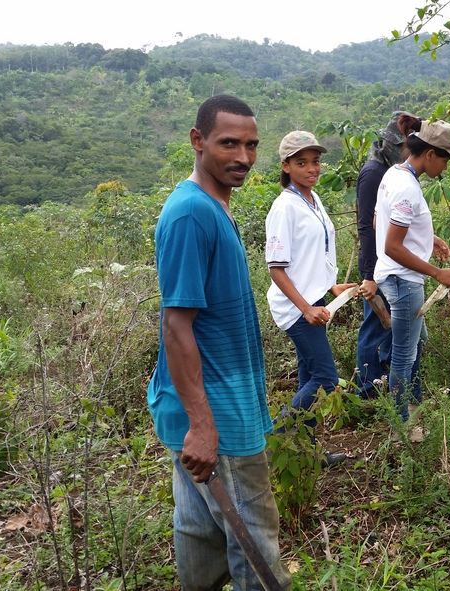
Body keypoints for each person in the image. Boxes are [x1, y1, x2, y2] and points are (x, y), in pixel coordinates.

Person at [147, 95, 292, 591]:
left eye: (251, 145)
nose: (243, 157)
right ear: (197, 141)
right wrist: (205, 428)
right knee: (256, 547)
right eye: (229, 143)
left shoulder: (212, 206)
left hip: (208, 407)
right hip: (217, 416)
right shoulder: (191, 214)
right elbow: (176, 325)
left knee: (201, 536)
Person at [265, 130, 357, 466]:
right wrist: (305, 308)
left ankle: (307, 453)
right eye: (301, 162)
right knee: (326, 379)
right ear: (286, 166)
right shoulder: (284, 207)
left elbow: (312, 256)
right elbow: (277, 269)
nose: (312, 168)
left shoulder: (313, 200)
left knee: (309, 379)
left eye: (316, 161)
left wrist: (331, 288)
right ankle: (269, 443)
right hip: (297, 309)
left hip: (315, 301)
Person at [374, 115, 450, 433]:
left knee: (417, 341)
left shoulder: (392, 175)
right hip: (404, 280)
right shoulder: (408, 189)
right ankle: (401, 428)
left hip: (394, 276)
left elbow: (378, 223)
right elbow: (393, 246)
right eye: (446, 159)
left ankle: (412, 404)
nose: (446, 167)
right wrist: (437, 272)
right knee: (403, 355)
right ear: (429, 154)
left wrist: (429, 238)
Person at [354, 111, 410, 399]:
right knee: (374, 324)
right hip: (378, 265)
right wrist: (369, 274)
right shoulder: (374, 172)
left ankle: (383, 378)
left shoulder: (390, 169)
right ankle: (366, 388)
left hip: (390, 262)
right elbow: (366, 225)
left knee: (389, 324)